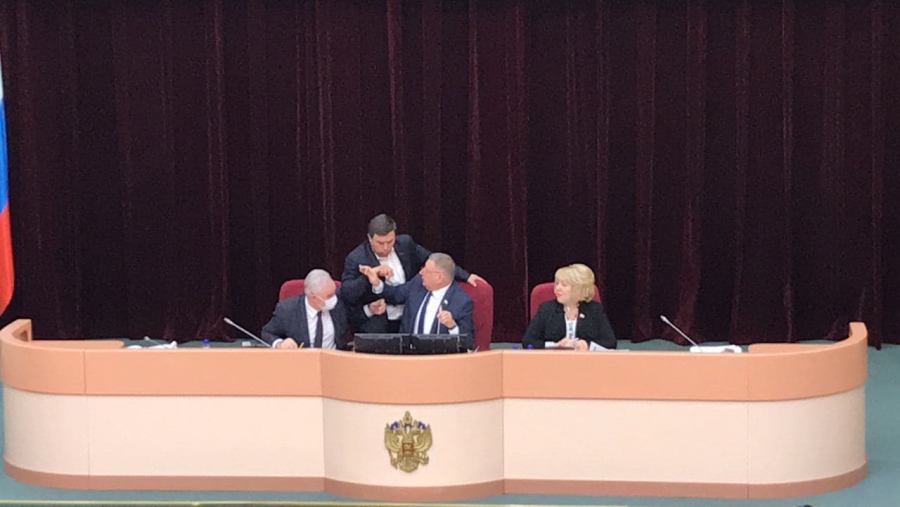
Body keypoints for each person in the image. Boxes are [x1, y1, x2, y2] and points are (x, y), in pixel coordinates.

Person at [341, 213, 485, 333]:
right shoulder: (356, 258)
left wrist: (465, 276)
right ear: (370, 238)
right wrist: (369, 277)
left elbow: (432, 259)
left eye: (390, 241)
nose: (386, 247)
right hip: (379, 322)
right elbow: (347, 293)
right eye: (380, 243)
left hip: (410, 316)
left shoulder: (405, 244)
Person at [359, 252, 475, 349]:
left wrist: (452, 326)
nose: (421, 272)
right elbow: (396, 294)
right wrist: (377, 283)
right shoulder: (418, 283)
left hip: (437, 361)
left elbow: (468, 342)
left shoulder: (461, 301)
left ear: (438, 277)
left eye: (426, 270)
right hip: (407, 355)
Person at [522, 263, 616, 350]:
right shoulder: (546, 309)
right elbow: (528, 341)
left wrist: (587, 345)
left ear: (579, 289)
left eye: (564, 285)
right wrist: (555, 345)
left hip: (585, 360)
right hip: (553, 359)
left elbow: (610, 343)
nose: (557, 288)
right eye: (557, 283)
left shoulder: (595, 310)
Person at [261, 269, 352, 350]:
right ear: (314, 297)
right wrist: (280, 343)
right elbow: (267, 333)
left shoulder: (341, 302)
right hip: (300, 361)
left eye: (334, 293)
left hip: (334, 359)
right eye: (329, 296)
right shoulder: (287, 310)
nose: (334, 298)